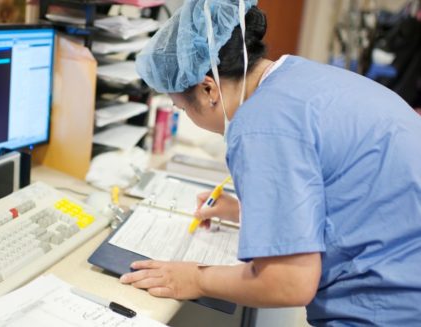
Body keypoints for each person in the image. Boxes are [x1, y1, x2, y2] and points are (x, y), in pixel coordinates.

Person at [118, 0, 421, 325]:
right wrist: (252, 210)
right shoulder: (298, 76)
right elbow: (345, 188)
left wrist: (196, 278)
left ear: (208, 89)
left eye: (182, 108)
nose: (186, 116)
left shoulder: (259, 124)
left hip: (388, 308)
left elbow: (289, 282)